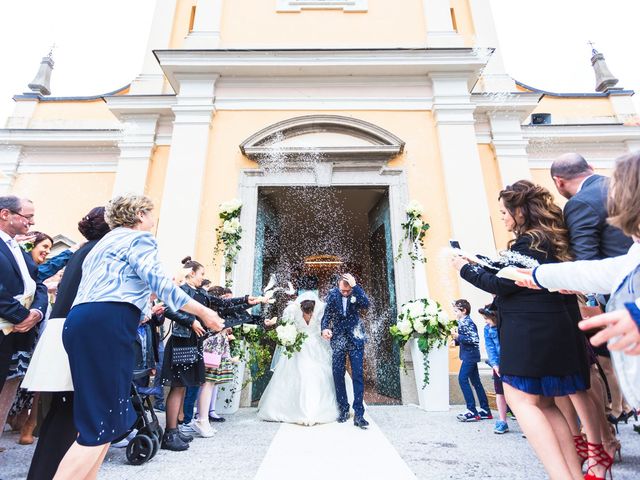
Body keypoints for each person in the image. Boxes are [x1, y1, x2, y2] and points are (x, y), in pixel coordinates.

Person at [53, 195, 224, 480]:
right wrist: (205, 312)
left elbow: (113, 285)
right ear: (140, 215)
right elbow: (162, 286)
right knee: (100, 424)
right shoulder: (139, 240)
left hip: (81, 321)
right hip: (108, 324)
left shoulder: (102, 244)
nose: (153, 218)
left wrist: (142, 309)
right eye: (151, 213)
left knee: (99, 419)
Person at [451, 180, 591, 480]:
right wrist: (480, 261)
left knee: (520, 401)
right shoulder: (550, 239)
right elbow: (509, 272)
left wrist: (462, 267)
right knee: (546, 404)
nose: (501, 217)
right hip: (558, 328)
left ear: (520, 211)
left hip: (531, 333)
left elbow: (500, 283)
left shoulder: (528, 243)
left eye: (504, 212)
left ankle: (560, 475)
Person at [23, 207, 110, 480]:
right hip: (78, 335)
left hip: (63, 330)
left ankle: (45, 472)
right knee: (71, 414)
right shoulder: (99, 252)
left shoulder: (82, 251)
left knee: (63, 412)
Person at [551, 152, 635, 429]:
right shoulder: (617, 185)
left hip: (620, 296)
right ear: (591, 168)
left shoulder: (581, 203)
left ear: (559, 182)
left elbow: (587, 261)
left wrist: (589, 301)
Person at [258, 291, 341, 425]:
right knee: (299, 374)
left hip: (317, 346)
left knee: (318, 374)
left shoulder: (321, 308)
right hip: (298, 347)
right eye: (305, 311)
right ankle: (294, 409)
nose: (308, 314)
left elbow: (327, 323)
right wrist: (286, 334)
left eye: (310, 311)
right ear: (301, 306)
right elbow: (286, 326)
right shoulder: (292, 309)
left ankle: (318, 408)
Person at [0, 196, 47, 393]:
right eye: (27, 216)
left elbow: (39, 284)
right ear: (5, 214)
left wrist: (36, 312)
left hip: (12, 332)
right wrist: (23, 316)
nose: (33, 222)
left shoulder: (16, 247)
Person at [321, 273, 370, 429]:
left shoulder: (356, 291)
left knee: (357, 373)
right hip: (338, 338)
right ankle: (343, 409)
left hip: (356, 337)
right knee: (337, 373)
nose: (346, 293)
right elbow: (327, 315)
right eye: (343, 291)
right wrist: (325, 328)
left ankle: (359, 414)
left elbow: (366, 304)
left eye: (348, 291)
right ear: (338, 286)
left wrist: (356, 287)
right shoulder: (332, 294)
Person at [451, 299, 491, 423]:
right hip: (469, 355)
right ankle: (485, 410)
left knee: (462, 379)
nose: (454, 313)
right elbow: (466, 338)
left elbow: (474, 339)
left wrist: (458, 337)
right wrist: (456, 341)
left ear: (464, 310)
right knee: (476, 381)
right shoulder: (462, 321)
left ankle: (472, 410)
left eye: (456, 311)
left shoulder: (468, 322)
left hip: (470, 356)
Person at [479, 303, 509, 434]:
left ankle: (526, 423)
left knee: (518, 394)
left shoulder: (506, 326)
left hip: (513, 363)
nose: (485, 321)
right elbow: (490, 347)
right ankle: (502, 421)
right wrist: (495, 365)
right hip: (498, 365)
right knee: (500, 392)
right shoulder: (487, 329)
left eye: (486, 318)